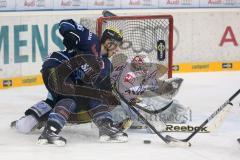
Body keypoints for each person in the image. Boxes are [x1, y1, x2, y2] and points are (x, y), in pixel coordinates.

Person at [11, 19, 127, 145]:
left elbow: (97, 89)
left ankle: (106, 128)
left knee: (76, 99)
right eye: (117, 46)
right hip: (57, 66)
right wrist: (69, 33)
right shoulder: (91, 40)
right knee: (68, 99)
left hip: (69, 81)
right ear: (109, 43)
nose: (117, 51)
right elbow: (66, 23)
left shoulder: (107, 65)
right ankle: (48, 132)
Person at [110, 53, 191, 129]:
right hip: (122, 106)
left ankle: (172, 112)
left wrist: (164, 86)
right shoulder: (126, 76)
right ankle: (162, 118)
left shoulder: (132, 74)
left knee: (147, 100)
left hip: (128, 104)